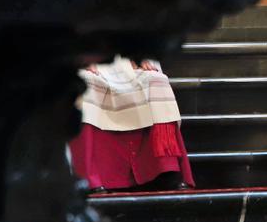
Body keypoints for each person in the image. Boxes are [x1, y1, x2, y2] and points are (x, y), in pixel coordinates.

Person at [69, 56, 195, 192]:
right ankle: (91, 178)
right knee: (86, 84)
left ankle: (166, 169)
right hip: (92, 60)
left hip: (126, 61)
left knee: (156, 80)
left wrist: (141, 55)